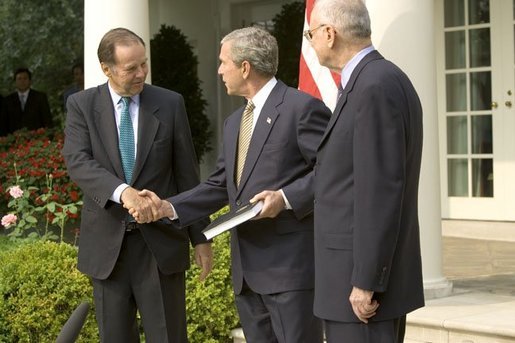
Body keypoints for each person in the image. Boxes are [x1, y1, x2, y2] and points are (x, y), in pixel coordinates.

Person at [130, 27, 331, 343]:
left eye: (224, 62)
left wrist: (286, 197)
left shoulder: (301, 109)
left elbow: (334, 172)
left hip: (291, 272)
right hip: (247, 276)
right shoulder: (234, 122)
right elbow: (220, 184)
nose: (220, 69)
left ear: (245, 67)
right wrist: (168, 207)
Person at [62, 27, 212, 343]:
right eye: (131, 68)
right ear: (107, 68)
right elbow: (78, 162)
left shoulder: (170, 103)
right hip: (108, 251)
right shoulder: (82, 106)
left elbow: (187, 173)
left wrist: (201, 236)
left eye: (143, 64)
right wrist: (123, 192)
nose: (141, 73)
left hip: (161, 246)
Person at [306, 0, 425, 342]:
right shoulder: (374, 79)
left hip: (360, 292)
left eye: (310, 34)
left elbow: (380, 190)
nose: (311, 42)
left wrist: (366, 281)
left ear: (330, 34)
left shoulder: (373, 85)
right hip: (354, 282)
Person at [1, 67, 53, 135]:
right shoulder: (7, 100)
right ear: (15, 81)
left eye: (25, 78)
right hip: (13, 141)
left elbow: (48, 122)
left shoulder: (40, 97)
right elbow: (3, 124)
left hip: (37, 140)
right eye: (19, 79)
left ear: (30, 81)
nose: (22, 81)